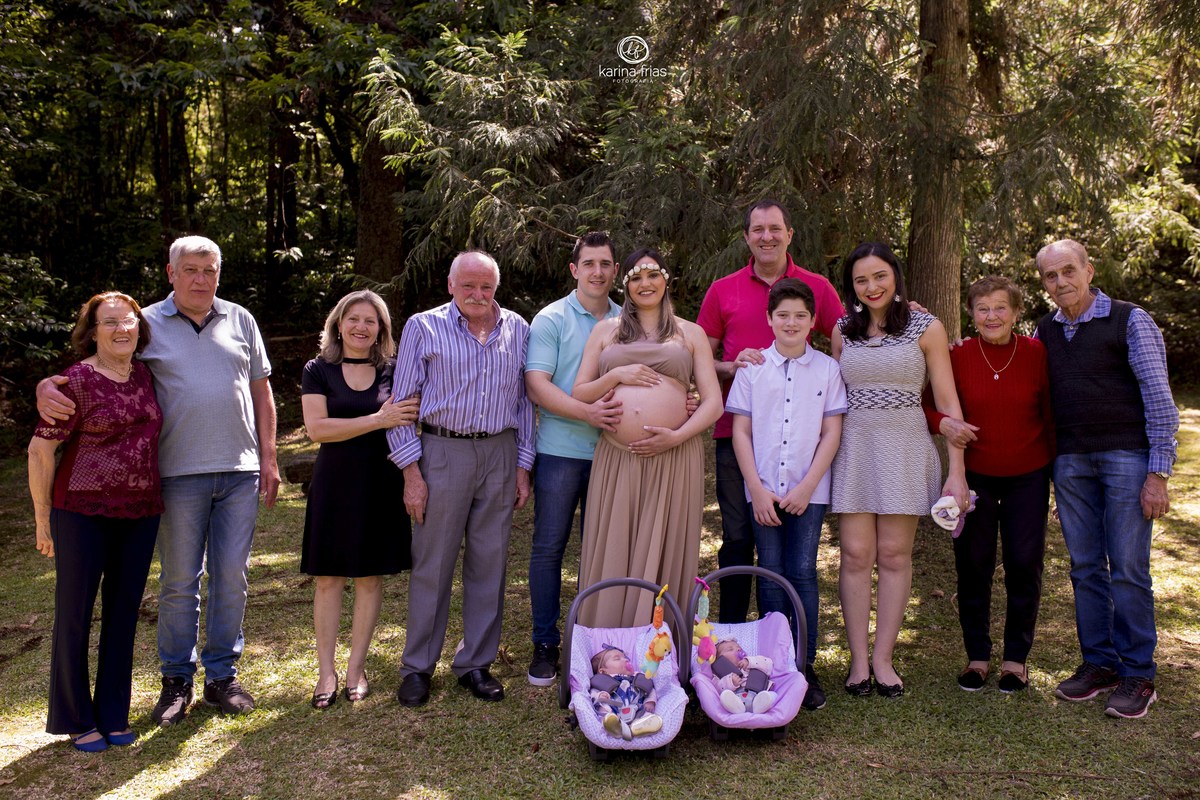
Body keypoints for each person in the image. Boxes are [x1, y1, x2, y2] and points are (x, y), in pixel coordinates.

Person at [37, 235, 278, 726]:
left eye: (209, 270)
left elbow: (262, 391)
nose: (200, 279)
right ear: (171, 273)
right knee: (179, 582)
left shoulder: (241, 319)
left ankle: (221, 676)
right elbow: (105, 364)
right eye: (190, 269)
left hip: (239, 472)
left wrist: (269, 458)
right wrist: (48, 384)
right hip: (174, 475)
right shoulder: (144, 324)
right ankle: (175, 680)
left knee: (232, 575)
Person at [1034, 239, 1178, 719]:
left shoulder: (1130, 320)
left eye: (1069, 271)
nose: (1061, 283)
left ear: (1089, 270)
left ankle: (1139, 673)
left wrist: (1157, 473)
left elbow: (1159, 399)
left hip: (1126, 458)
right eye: (1051, 277)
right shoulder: (1044, 331)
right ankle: (1099, 663)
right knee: (1085, 567)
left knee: (1130, 569)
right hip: (1071, 462)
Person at [697, 201, 844, 666]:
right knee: (742, 543)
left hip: (805, 461)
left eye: (774, 228)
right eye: (757, 229)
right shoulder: (723, 291)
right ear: (747, 237)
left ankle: (800, 662)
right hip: (743, 443)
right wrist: (733, 365)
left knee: (799, 568)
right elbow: (703, 355)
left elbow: (848, 334)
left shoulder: (817, 289)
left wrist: (907, 313)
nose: (766, 236)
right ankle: (739, 644)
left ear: (789, 233)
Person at [388, 250, 534, 708]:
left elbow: (526, 402)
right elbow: (402, 403)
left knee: (489, 562)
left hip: (499, 451)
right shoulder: (423, 327)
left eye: (486, 286)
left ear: (497, 286)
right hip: (442, 451)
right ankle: (417, 668)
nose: (477, 295)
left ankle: (475, 663)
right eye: (468, 286)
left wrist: (522, 465)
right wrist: (411, 471)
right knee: (433, 563)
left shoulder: (519, 328)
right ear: (450, 285)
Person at [831, 241, 968, 698]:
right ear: (851, 286)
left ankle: (884, 660)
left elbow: (948, 404)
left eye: (880, 276)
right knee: (854, 554)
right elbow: (831, 398)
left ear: (896, 276)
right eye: (861, 280)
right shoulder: (842, 331)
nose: (872, 287)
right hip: (854, 446)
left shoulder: (926, 327)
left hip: (905, 445)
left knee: (893, 555)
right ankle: (857, 661)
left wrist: (957, 471)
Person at [28, 292, 163, 752]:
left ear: (139, 329)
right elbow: (40, 450)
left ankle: (113, 713)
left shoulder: (144, 374)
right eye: (109, 323)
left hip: (141, 510)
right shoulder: (76, 381)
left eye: (128, 322)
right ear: (92, 331)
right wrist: (43, 518)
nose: (121, 329)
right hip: (81, 512)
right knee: (75, 615)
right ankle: (74, 716)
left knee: (124, 614)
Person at [573, 248, 724, 628]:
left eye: (652, 275)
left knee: (666, 543)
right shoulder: (605, 331)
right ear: (625, 285)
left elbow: (713, 404)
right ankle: (608, 641)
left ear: (666, 279)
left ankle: (660, 644)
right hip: (617, 456)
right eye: (636, 278)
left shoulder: (691, 333)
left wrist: (675, 436)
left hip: (675, 456)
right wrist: (617, 377)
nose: (645, 284)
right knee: (615, 542)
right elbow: (581, 392)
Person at [920, 276, 1054, 693]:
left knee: (1023, 564)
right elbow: (927, 405)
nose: (992, 315)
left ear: (1016, 313)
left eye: (1000, 307)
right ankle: (977, 656)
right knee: (973, 564)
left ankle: (1016, 659)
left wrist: (1057, 477)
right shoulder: (956, 355)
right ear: (972, 313)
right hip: (973, 478)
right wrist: (946, 423)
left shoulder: (1035, 353)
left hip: (1028, 476)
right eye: (983, 308)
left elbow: (1050, 415)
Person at [727, 278, 846, 710]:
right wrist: (756, 490)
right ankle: (773, 666)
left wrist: (809, 485)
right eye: (783, 315)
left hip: (807, 491)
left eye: (800, 316)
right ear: (769, 319)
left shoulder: (828, 370)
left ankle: (804, 664)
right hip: (762, 491)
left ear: (813, 321)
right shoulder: (753, 369)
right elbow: (740, 432)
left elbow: (832, 431)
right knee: (771, 571)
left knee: (803, 573)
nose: (791, 322)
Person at [300, 290, 421, 708]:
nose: (360, 327)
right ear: (338, 323)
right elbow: (318, 429)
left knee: (370, 578)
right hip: (334, 482)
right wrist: (377, 419)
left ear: (381, 329)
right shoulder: (318, 370)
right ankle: (326, 672)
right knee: (328, 578)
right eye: (353, 318)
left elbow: (409, 416)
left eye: (370, 320)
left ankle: (356, 667)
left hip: (380, 481)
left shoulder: (394, 369)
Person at [523, 232, 623, 686]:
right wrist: (586, 411)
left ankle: (591, 644)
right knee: (549, 549)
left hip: (614, 455)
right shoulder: (552, 318)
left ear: (615, 270)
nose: (598, 271)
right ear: (574, 269)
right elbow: (537, 386)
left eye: (605, 263)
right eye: (589, 263)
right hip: (561, 453)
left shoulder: (629, 321)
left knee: (601, 553)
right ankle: (546, 644)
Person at [588, 645, 662, 739]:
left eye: (625, 658)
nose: (626, 660)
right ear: (603, 671)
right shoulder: (601, 680)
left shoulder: (638, 677)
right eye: (617, 659)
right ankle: (613, 727)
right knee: (605, 712)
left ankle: (640, 727)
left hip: (637, 709)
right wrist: (600, 695)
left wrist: (650, 701)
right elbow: (593, 693)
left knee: (646, 715)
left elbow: (650, 689)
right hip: (614, 710)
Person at [712, 638, 778, 714]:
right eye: (730, 649)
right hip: (737, 698)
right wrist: (730, 681)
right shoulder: (720, 674)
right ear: (720, 659)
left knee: (773, 695)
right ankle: (737, 707)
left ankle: (759, 706)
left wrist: (750, 662)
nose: (738, 649)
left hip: (760, 694)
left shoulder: (753, 661)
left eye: (739, 647)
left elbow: (769, 664)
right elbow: (718, 688)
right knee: (725, 695)